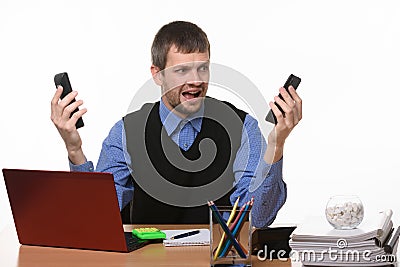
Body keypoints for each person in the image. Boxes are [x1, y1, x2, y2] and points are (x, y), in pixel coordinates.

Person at [50, 21, 302, 227]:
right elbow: (97, 218)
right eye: (182, 71)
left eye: (202, 69)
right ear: (157, 75)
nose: (196, 80)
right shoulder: (126, 132)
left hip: (217, 260)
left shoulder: (242, 127)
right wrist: (75, 150)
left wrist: (276, 145)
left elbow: (259, 217)